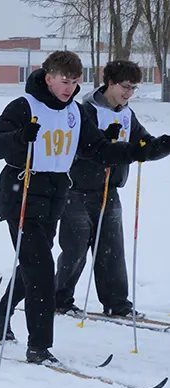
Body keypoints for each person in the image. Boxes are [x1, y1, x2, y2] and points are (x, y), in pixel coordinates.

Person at [0, 51, 170, 364]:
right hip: (22, 195)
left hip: (54, 197)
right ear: (49, 78)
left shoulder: (74, 113)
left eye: (74, 82)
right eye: (64, 81)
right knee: (42, 270)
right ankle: (39, 347)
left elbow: (99, 150)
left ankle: (2, 310)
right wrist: (19, 137)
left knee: (33, 264)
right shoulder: (24, 106)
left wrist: (149, 149)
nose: (69, 87)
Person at [55, 60, 152, 319]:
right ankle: (59, 298)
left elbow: (141, 139)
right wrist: (103, 141)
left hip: (110, 191)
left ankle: (117, 304)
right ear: (110, 83)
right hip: (77, 190)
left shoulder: (126, 113)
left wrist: (156, 146)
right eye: (125, 87)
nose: (129, 93)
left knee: (112, 250)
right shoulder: (85, 110)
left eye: (134, 89)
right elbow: (78, 148)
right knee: (75, 249)